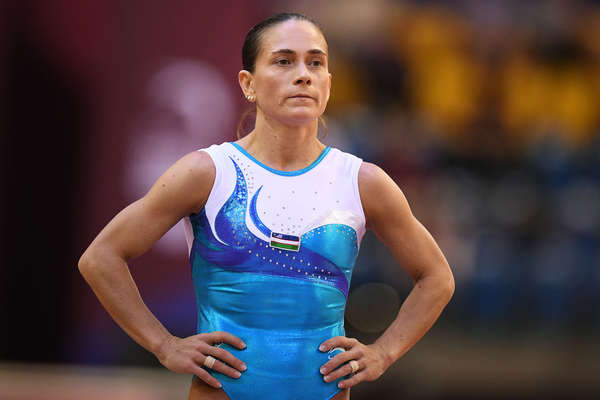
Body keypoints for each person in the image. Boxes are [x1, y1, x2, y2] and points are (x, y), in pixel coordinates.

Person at [78, 12, 454, 400]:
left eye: (316, 63)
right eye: (284, 61)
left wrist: (383, 353)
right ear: (248, 84)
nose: (303, 75)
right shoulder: (208, 173)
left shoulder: (363, 182)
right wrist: (163, 345)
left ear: (328, 82)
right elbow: (101, 258)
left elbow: (437, 277)